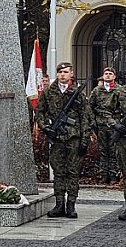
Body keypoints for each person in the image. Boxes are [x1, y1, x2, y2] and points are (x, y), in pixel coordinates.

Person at [36, 62, 92, 219]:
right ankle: (59, 203)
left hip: (74, 138)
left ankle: (71, 205)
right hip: (57, 139)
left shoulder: (78, 93)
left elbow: (85, 117)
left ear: (71, 74)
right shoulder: (49, 92)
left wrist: (84, 140)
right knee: (59, 172)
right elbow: (40, 111)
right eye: (60, 72)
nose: (62, 74)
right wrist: (45, 126)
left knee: (72, 172)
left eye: (65, 72)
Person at [89, 67, 122, 184]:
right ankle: (104, 174)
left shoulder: (119, 91)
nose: (107, 75)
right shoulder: (97, 90)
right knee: (103, 151)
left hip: (115, 126)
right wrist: (93, 123)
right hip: (101, 125)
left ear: (114, 76)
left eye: (110, 74)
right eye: (106, 74)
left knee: (114, 151)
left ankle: (113, 175)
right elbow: (90, 108)